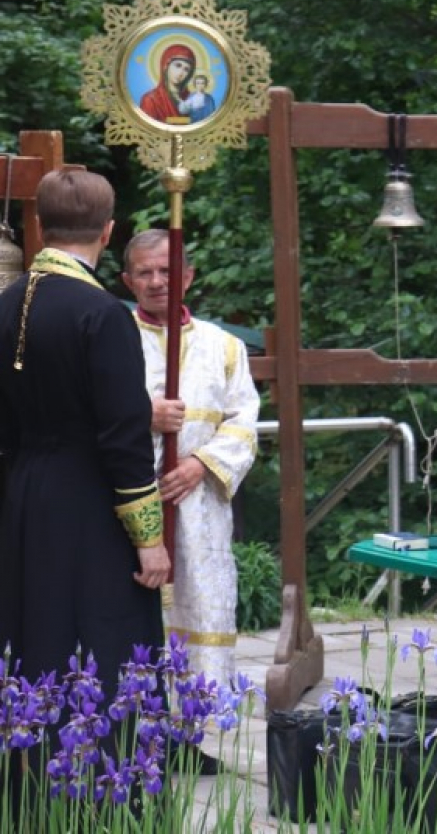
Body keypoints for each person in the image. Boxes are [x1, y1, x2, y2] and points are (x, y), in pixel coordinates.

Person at [0, 170, 169, 707]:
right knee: (100, 639)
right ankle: (95, 762)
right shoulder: (102, 313)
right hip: (90, 506)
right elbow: (124, 437)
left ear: (39, 224)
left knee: (31, 633)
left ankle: (28, 753)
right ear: (108, 231)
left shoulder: (5, 303)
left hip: (20, 498)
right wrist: (149, 541)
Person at [122, 229, 260, 686]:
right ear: (128, 281)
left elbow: (243, 419)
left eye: (168, 270)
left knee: (201, 606)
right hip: (132, 501)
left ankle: (202, 719)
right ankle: (141, 718)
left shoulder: (223, 346)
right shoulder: (114, 338)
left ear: (188, 276)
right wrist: (144, 415)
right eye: (145, 272)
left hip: (201, 505)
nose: (157, 281)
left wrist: (200, 464)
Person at [138, 43, 195, 124]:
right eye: (178, 66)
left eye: (186, 69)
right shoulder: (151, 100)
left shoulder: (191, 99)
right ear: (166, 65)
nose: (180, 73)